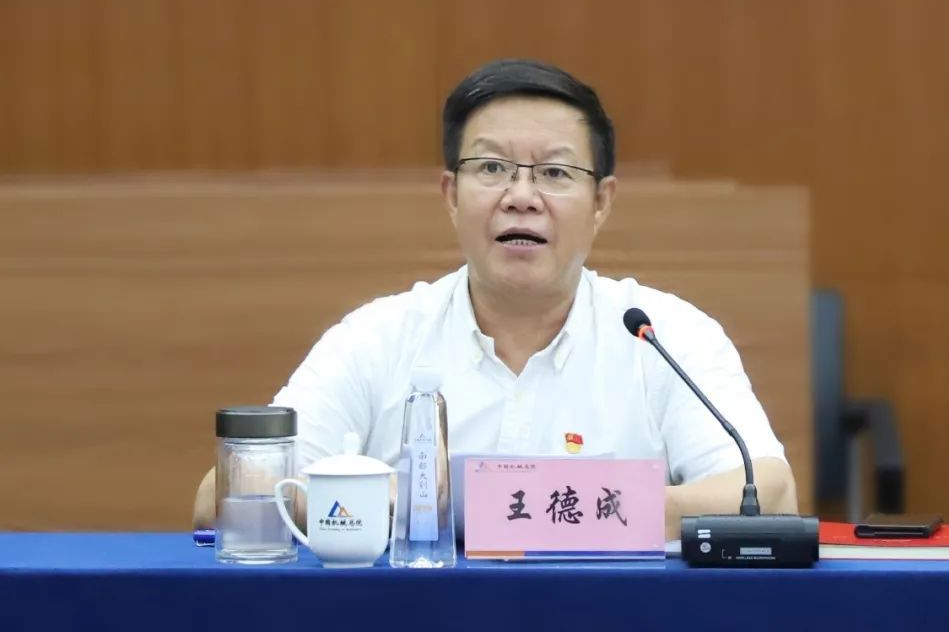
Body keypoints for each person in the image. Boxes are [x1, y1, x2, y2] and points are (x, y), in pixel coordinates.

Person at [193, 58, 797, 539]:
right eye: (491, 168)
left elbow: (768, 493)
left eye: (555, 173)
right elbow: (225, 497)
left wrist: (503, 507)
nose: (521, 196)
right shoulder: (377, 338)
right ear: (451, 195)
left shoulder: (664, 335)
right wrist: (406, 503)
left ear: (602, 202)